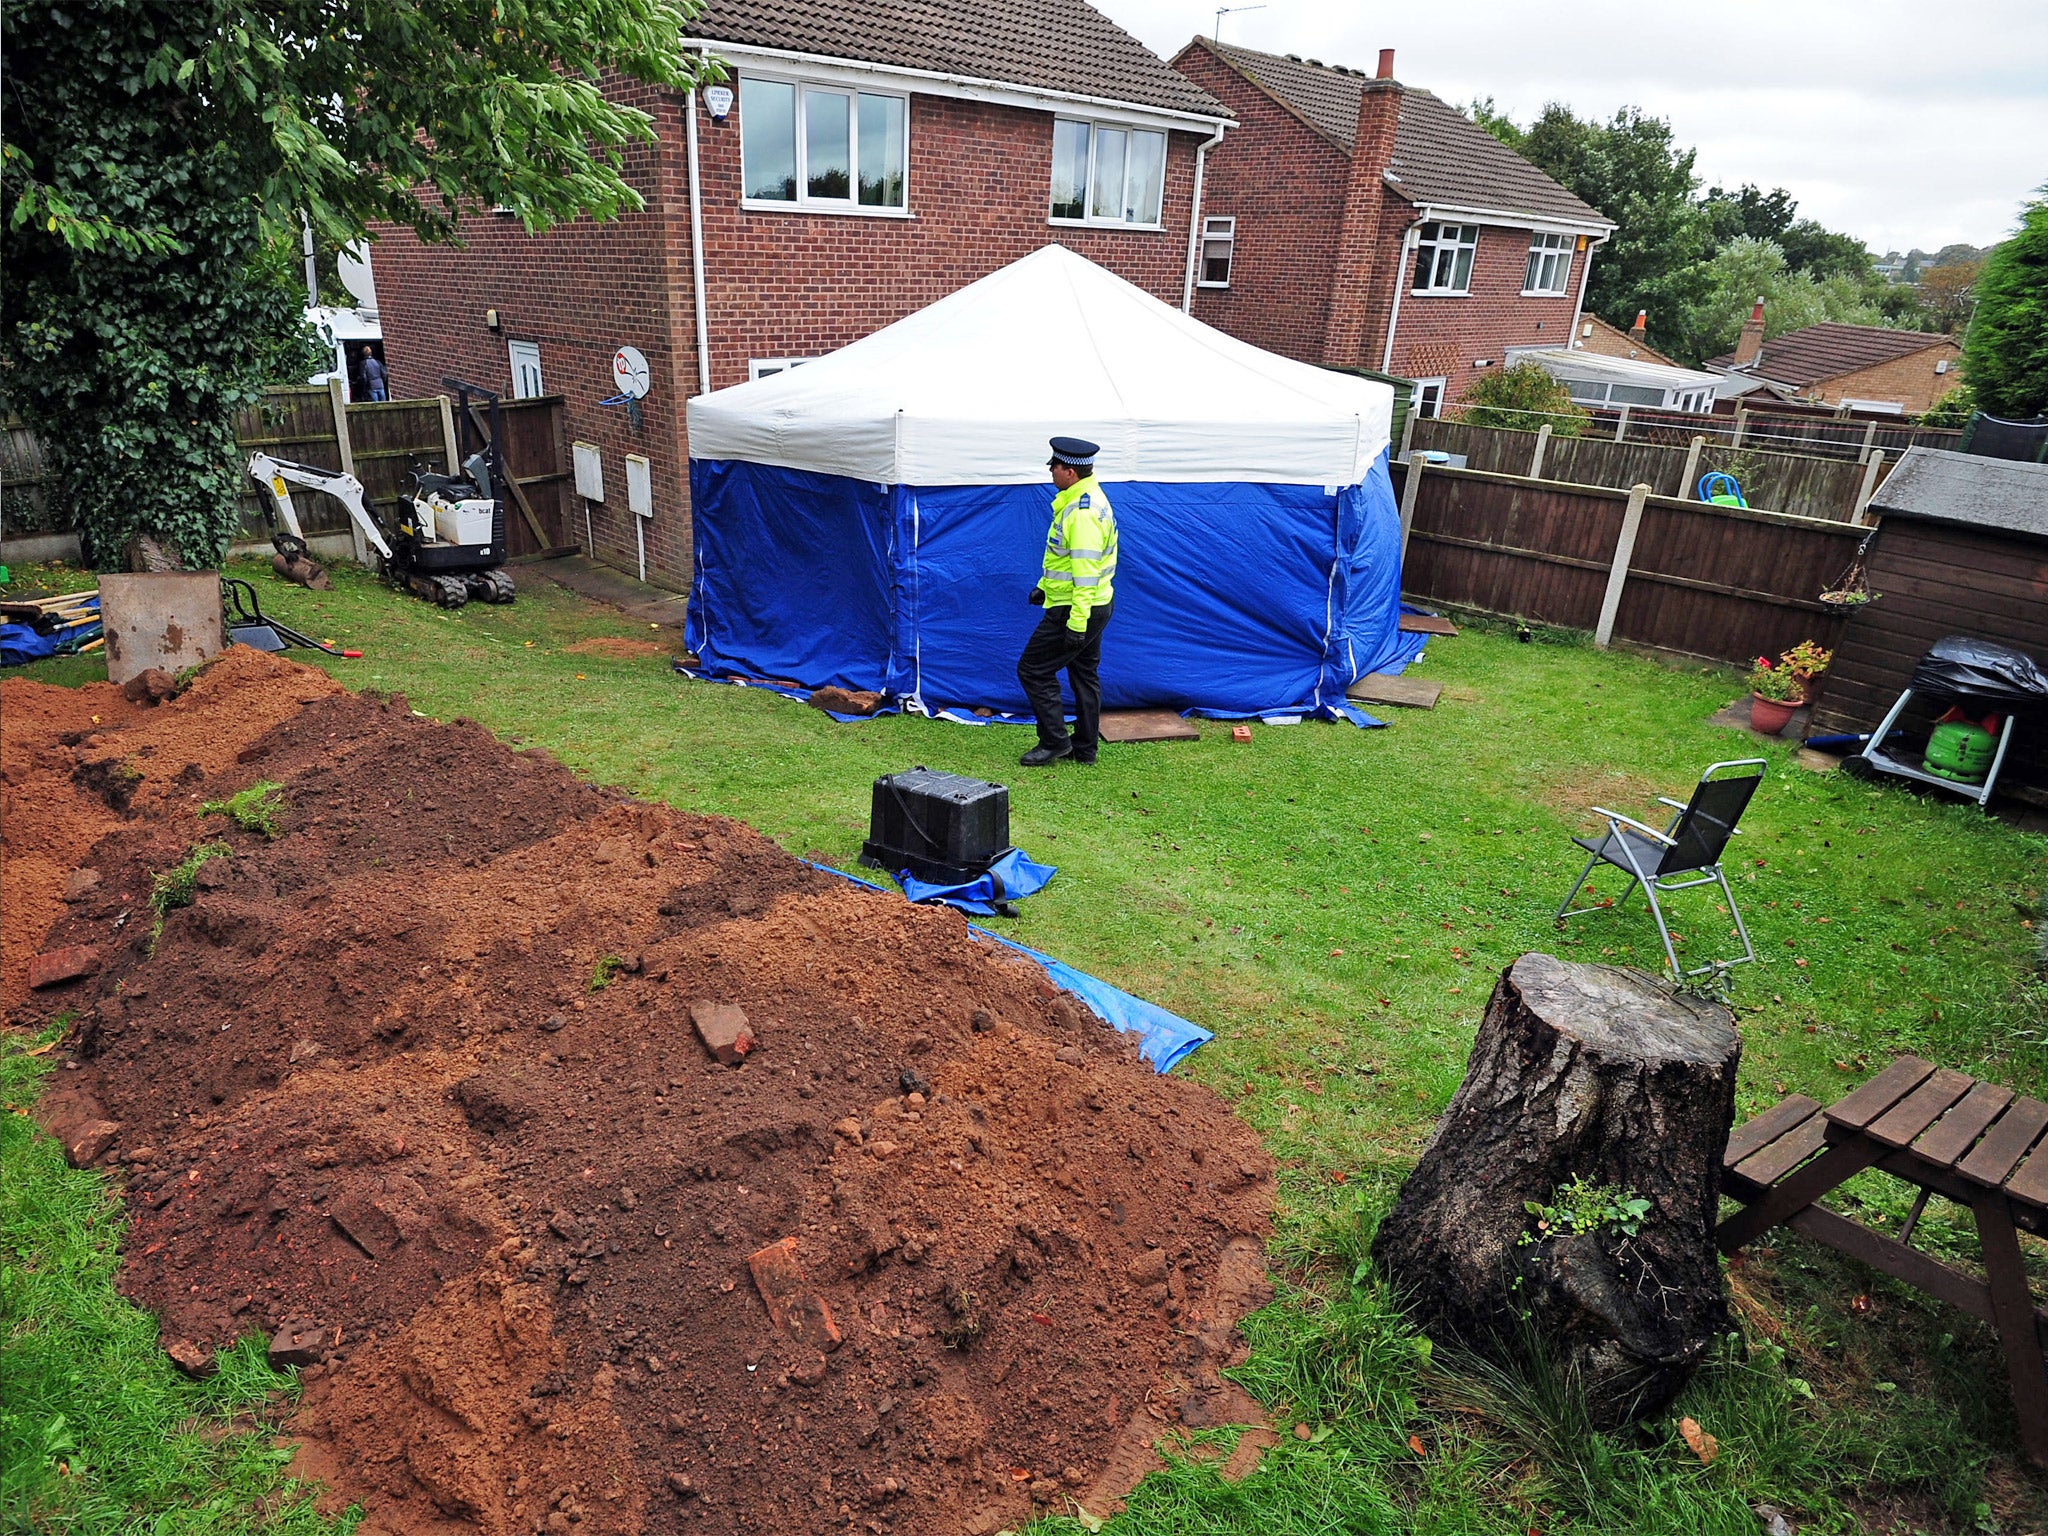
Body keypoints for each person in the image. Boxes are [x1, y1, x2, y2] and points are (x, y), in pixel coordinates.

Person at [1016, 435, 1116, 767]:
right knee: (1084, 674)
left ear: (1070, 472)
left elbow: (1085, 571)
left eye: (1054, 467)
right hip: (1094, 604)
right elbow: (1065, 560)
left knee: (1033, 670)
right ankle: (1085, 748)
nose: (1051, 472)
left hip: (1076, 608)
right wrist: (1044, 587)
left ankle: (1055, 742)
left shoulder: (1082, 513)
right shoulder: (1089, 499)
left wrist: (1076, 623)